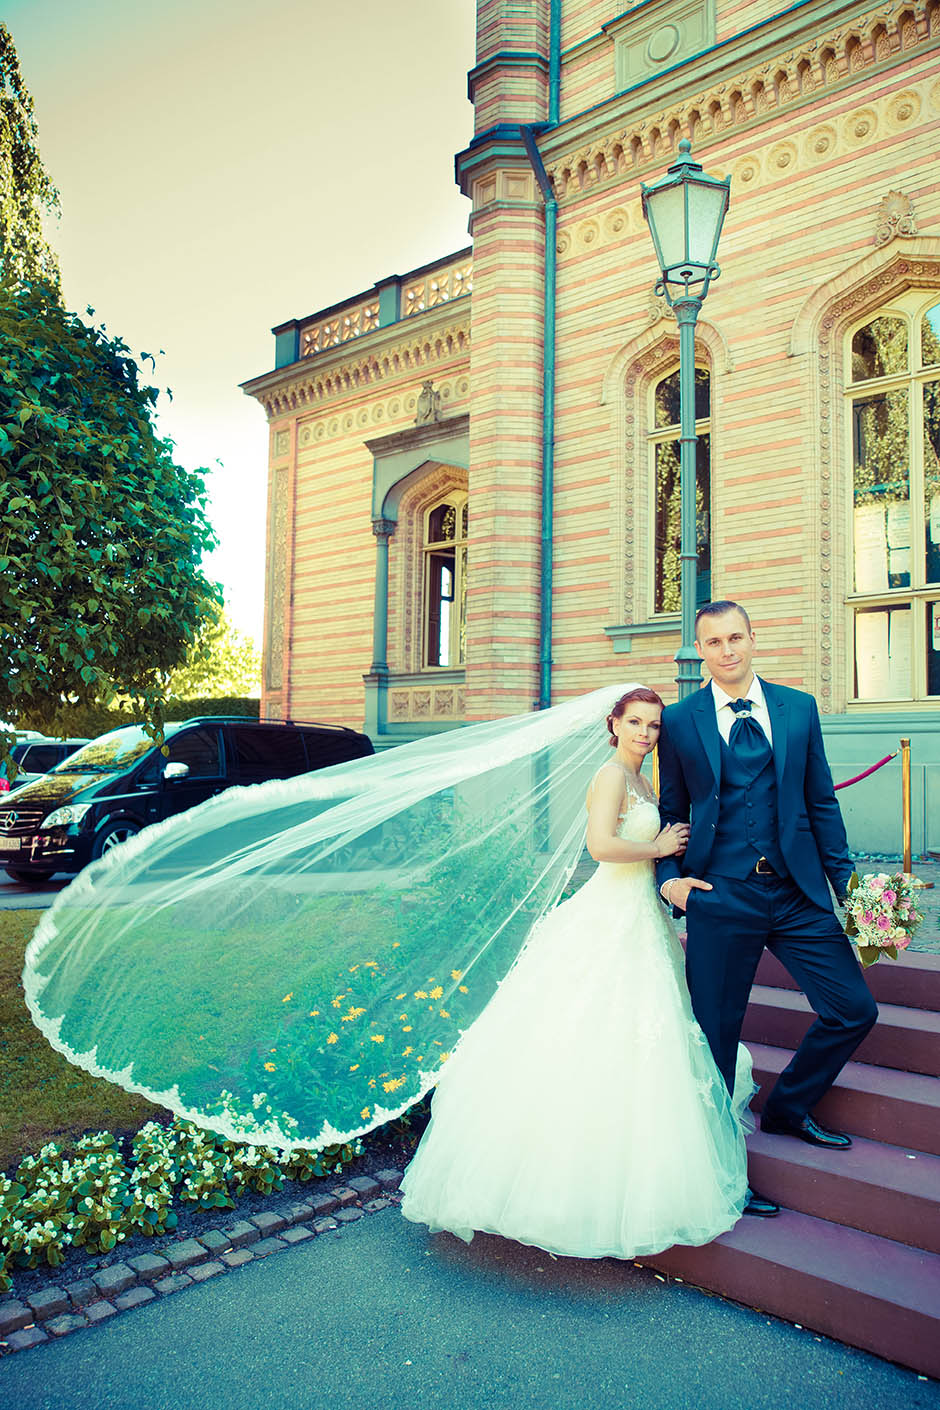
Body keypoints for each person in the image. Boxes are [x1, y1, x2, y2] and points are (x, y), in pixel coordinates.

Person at [399, 687, 755, 1260]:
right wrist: (657, 846)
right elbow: (600, 845)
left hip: (642, 916)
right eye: (634, 722)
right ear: (613, 724)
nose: (644, 732)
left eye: (654, 725)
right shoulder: (613, 774)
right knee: (585, 1032)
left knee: (646, 1037)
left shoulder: (644, 781)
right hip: (610, 912)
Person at [656, 601, 878, 1220]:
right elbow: (673, 809)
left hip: (796, 892)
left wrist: (850, 890)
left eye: (735, 638)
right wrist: (669, 878)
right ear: (699, 650)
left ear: (754, 639)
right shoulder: (679, 722)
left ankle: (787, 1108)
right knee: (716, 1039)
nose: (726, 651)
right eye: (712, 642)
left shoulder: (797, 708)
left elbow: (822, 801)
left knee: (853, 1008)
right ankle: (721, 1172)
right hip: (720, 896)